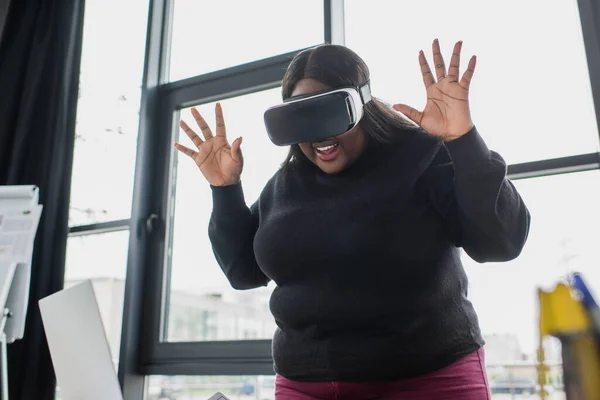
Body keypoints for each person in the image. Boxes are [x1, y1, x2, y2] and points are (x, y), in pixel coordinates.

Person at [175, 40, 530, 400]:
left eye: (328, 112)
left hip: (425, 378)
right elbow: (243, 272)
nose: (318, 135)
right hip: (304, 384)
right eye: (302, 117)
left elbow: (500, 242)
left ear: (362, 104)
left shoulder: (421, 156)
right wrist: (225, 190)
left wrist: (463, 141)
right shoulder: (284, 186)